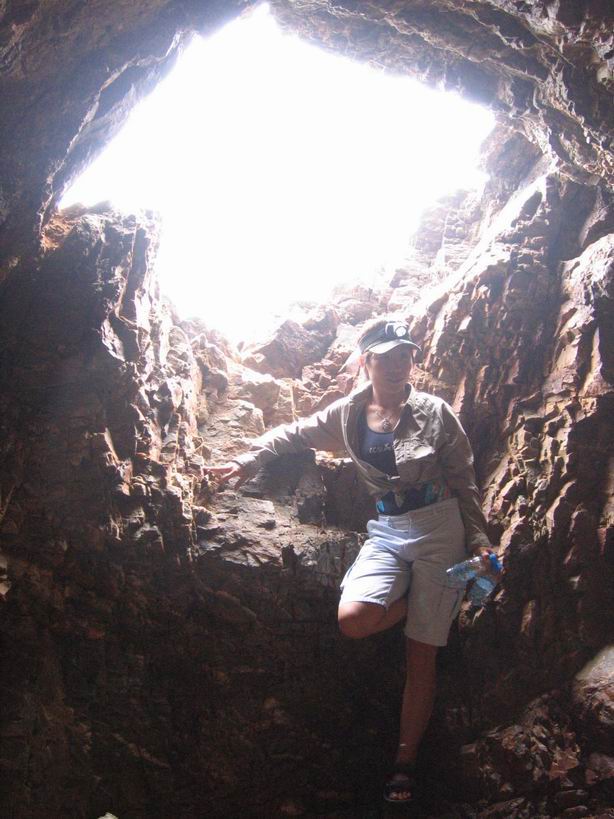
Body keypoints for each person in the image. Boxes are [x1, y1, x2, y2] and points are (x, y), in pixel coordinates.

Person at [206, 318, 495, 803]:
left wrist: (479, 540)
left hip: (440, 525)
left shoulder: (435, 412)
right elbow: (295, 433)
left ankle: (404, 763)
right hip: (388, 528)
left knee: (421, 652)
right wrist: (248, 458)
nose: (399, 364)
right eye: (387, 356)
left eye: (405, 354)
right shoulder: (348, 414)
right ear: (367, 361)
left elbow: (464, 480)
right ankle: (427, 603)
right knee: (354, 619)